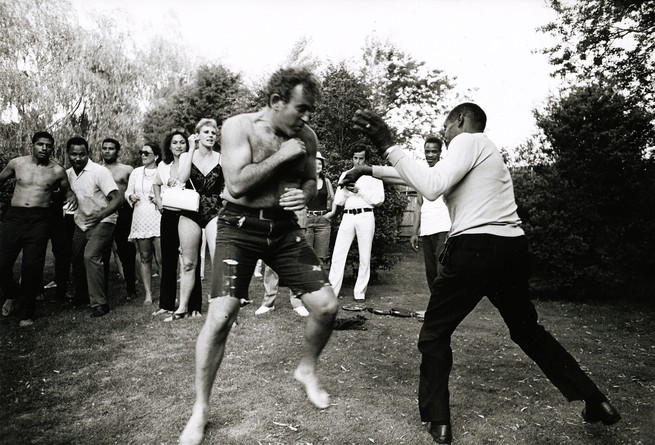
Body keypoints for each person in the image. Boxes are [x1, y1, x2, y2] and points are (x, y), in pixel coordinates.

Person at [346, 103, 621, 444]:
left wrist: (387, 142)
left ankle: (439, 421)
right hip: (511, 251)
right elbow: (420, 174)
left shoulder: (468, 140)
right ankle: (596, 400)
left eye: (446, 128)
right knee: (528, 331)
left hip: (475, 250)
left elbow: (430, 186)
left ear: (460, 121)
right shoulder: (482, 154)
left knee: (434, 334)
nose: (444, 137)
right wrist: (369, 170)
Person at [178, 67, 338, 445]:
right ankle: (200, 409)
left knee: (327, 307)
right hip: (238, 224)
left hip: (283, 228)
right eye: (301, 108)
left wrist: (308, 195)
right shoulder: (239, 127)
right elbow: (236, 183)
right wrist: (283, 155)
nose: (306, 118)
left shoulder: (306, 136)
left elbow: (312, 181)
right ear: (275, 102)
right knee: (221, 316)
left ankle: (307, 370)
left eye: (310, 110)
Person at [0, 131, 77, 326]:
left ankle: (26, 313)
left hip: (40, 220)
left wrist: (71, 196)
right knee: (2, 262)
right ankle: (12, 294)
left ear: (52, 147)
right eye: (40, 144)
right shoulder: (16, 164)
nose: (44, 148)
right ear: (32, 144)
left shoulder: (57, 170)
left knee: (31, 267)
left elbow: (67, 190)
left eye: (48, 145)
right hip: (14, 218)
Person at [164, 118, 223, 321]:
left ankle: (220, 309)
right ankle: (182, 308)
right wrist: (189, 149)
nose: (210, 136)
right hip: (190, 210)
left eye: (213, 133)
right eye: (206, 132)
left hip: (215, 211)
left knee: (218, 261)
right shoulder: (188, 155)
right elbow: (181, 178)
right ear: (197, 135)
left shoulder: (221, 158)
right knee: (188, 263)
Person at [67, 136, 124, 318]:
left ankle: (100, 304)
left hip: (104, 220)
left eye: (82, 154)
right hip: (81, 222)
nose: (77, 158)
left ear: (88, 154)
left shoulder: (99, 172)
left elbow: (117, 198)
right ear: (68, 154)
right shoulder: (68, 174)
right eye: (73, 154)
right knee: (76, 258)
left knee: (90, 256)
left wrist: (101, 214)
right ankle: (82, 294)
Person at [152, 129, 202, 317]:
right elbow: (156, 183)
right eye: (175, 143)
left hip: (189, 215)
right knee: (168, 259)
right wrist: (158, 201)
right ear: (169, 146)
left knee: (191, 261)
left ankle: (194, 306)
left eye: (182, 142)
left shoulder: (193, 161)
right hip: (169, 215)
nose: (179, 146)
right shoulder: (163, 166)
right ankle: (166, 304)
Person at [328, 146, 384, 301]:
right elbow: (338, 201)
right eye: (355, 158)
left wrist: (359, 190)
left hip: (365, 215)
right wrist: (347, 190)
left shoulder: (374, 176)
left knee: (365, 256)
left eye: (361, 158)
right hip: (348, 216)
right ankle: (332, 291)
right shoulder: (345, 174)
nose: (358, 161)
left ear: (366, 158)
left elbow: (379, 200)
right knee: (338, 254)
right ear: (351, 158)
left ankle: (360, 293)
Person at [410, 136, 451, 294]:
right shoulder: (422, 174)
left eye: (434, 151)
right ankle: (436, 309)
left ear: (440, 152)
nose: (430, 155)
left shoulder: (446, 172)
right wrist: (414, 232)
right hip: (427, 230)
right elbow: (419, 204)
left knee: (442, 271)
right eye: (427, 151)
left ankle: (444, 308)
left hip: (443, 228)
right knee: (431, 273)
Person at [254, 207, 311, 317]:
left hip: (297, 216)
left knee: (297, 260)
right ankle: (268, 303)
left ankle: (297, 303)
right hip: (273, 216)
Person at [100, 138, 137, 300]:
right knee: (103, 252)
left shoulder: (127, 169)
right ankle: (102, 291)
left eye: (111, 148)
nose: (107, 151)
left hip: (124, 213)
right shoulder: (97, 170)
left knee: (126, 251)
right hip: (104, 213)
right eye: (105, 148)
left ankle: (131, 288)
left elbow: (135, 189)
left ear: (117, 151)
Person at [126, 142, 163, 305]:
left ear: (156, 156)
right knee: (145, 257)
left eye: (147, 153)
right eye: (142, 152)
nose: (143, 155)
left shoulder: (162, 171)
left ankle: (165, 292)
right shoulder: (136, 172)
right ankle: (148, 294)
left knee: (162, 259)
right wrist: (130, 197)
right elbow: (128, 191)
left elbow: (169, 191)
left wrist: (160, 199)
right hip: (140, 217)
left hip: (158, 217)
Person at [305, 151, 335, 264]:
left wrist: (332, 213)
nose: (317, 166)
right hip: (307, 221)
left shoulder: (326, 181)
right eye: (314, 163)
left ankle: (319, 281)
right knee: (307, 256)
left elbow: (334, 199)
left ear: (322, 166)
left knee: (320, 258)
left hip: (323, 222)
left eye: (320, 164)